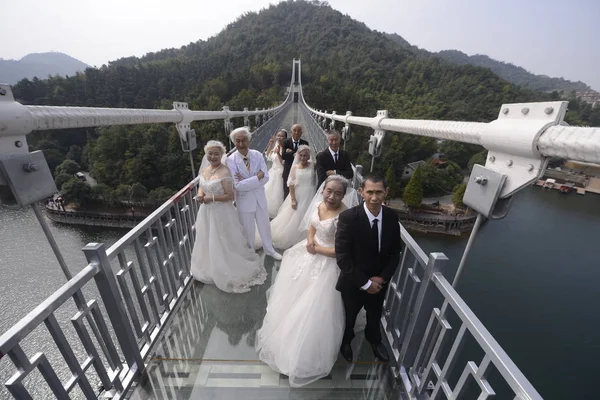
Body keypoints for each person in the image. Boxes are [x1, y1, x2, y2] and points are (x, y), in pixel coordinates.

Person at [256, 175, 349, 387]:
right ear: (323, 189)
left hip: (326, 262)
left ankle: (305, 351)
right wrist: (309, 241)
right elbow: (312, 226)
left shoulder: (345, 217)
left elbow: (341, 251)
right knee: (291, 296)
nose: (332, 196)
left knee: (314, 306)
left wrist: (317, 249)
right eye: (329, 191)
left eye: (338, 193)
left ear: (344, 195)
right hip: (310, 250)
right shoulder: (318, 204)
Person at [335, 174, 403, 363]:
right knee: (349, 316)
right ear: (361, 192)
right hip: (353, 281)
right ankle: (346, 342)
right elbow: (343, 257)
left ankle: (374, 341)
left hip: (379, 282)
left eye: (379, 192)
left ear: (386, 193)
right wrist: (365, 283)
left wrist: (381, 279)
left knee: (374, 315)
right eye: (370, 192)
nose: (374, 197)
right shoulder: (348, 217)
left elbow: (395, 252)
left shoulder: (391, 217)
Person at [190, 140, 267, 293]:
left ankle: (225, 268)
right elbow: (201, 186)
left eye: (216, 154)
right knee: (207, 239)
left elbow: (230, 196)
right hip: (206, 212)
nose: (212, 156)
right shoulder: (205, 170)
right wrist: (200, 195)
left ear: (222, 155)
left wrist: (209, 199)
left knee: (222, 240)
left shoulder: (225, 172)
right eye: (210, 153)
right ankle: (210, 267)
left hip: (221, 213)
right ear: (206, 154)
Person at [227, 127, 282, 260]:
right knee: (247, 230)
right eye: (237, 141)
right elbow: (238, 186)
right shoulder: (230, 160)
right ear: (234, 142)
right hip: (244, 200)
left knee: (265, 226)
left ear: (249, 141)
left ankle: (269, 250)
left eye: (243, 140)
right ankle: (250, 253)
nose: (241, 144)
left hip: (260, 198)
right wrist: (257, 177)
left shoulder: (257, 154)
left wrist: (247, 181)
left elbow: (266, 177)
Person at [270, 145, 317, 249]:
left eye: (306, 155)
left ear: (309, 156)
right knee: (296, 216)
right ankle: (294, 237)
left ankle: (307, 237)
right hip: (299, 194)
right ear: (298, 156)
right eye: (301, 155)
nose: (304, 157)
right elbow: (290, 183)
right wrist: (293, 199)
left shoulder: (313, 165)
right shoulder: (295, 167)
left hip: (310, 193)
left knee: (308, 215)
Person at [264, 129, 287, 218]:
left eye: (282, 136)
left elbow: (284, 163)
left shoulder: (286, 147)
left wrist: (278, 154)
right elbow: (268, 156)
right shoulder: (276, 145)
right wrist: (270, 144)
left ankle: (280, 211)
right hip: (273, 172)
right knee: (269, 192)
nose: (279, 137)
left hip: (281, 173)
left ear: (285, 138)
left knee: (279, 193)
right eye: (278, 135)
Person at [281, 124, 308, 198]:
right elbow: (284, 156)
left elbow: (305, 158)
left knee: (298, 193)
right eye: (294, 130)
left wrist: (292, 152)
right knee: (286, 193)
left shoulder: (305, 143)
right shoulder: (286, 142)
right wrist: (298, 154)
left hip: (300, 172)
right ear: (291, 132)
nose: (296, 133)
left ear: (301, 133)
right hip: (288, 170)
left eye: (299, 131)